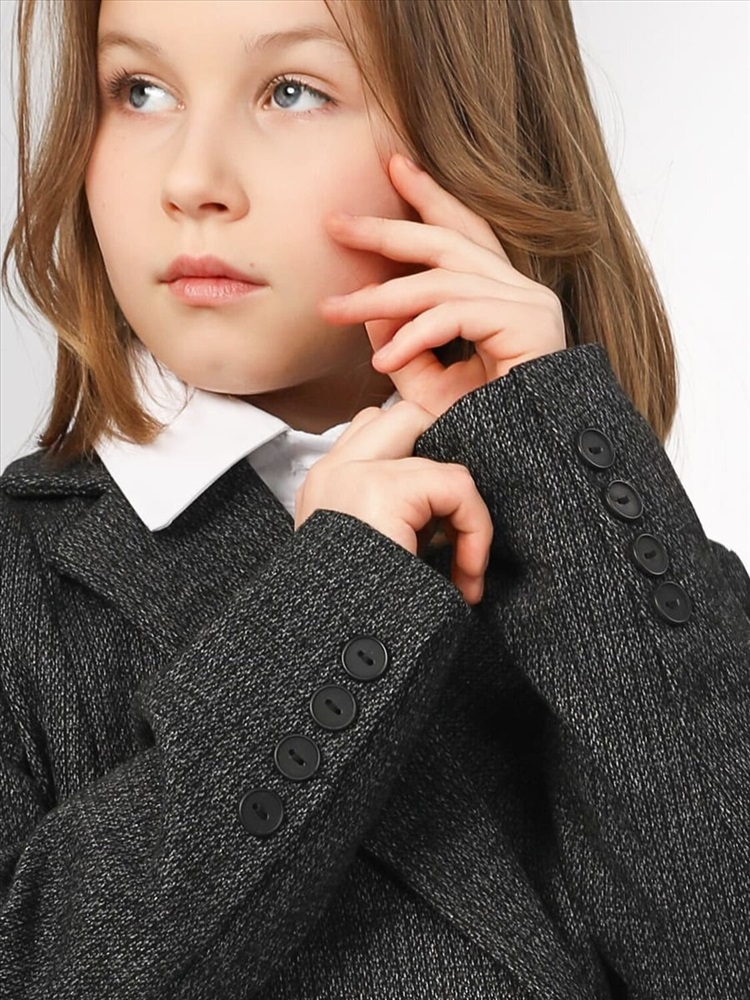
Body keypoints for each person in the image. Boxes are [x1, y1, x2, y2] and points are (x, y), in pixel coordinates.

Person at [1, 0, 748, 997]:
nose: (191, 181)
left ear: (468, 132)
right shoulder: (24, 583)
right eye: (139, 90)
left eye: (292, 91)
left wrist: (557, 444)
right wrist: (332, 605)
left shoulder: (609, 538)